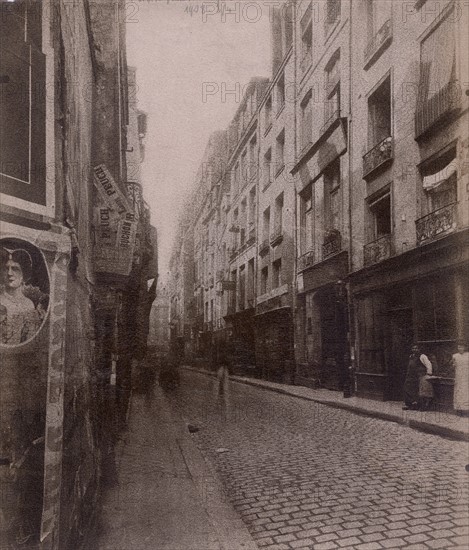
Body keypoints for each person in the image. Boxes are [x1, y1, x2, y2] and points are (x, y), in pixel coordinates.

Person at [0, 248, 41, 345]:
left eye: (15, 269)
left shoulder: (29, 304)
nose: (9, 273)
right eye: (6, 269)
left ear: (24, 274)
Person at [403, 344, 433, 410]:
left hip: (419, 376)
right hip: (411, 376)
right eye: (413, 348)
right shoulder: (411, 356)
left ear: (419, 349)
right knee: (408, 389)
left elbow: (428, 364)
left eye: (416, 348)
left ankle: (420, 405)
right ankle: (410, 404)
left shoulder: (422, 356)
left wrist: (429, 372)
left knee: (419, 390)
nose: (414, 350)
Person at [452, 341, 469, 415]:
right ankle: (459, 409)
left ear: (465, 347)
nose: (460, 348)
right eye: (459, 347)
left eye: (462, 347)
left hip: (466, 376)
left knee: (466, 392)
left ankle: (466, 410)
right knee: (458, 391)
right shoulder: (455, 356)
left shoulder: (468, 355)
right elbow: (453, 366)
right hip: (458, 376)